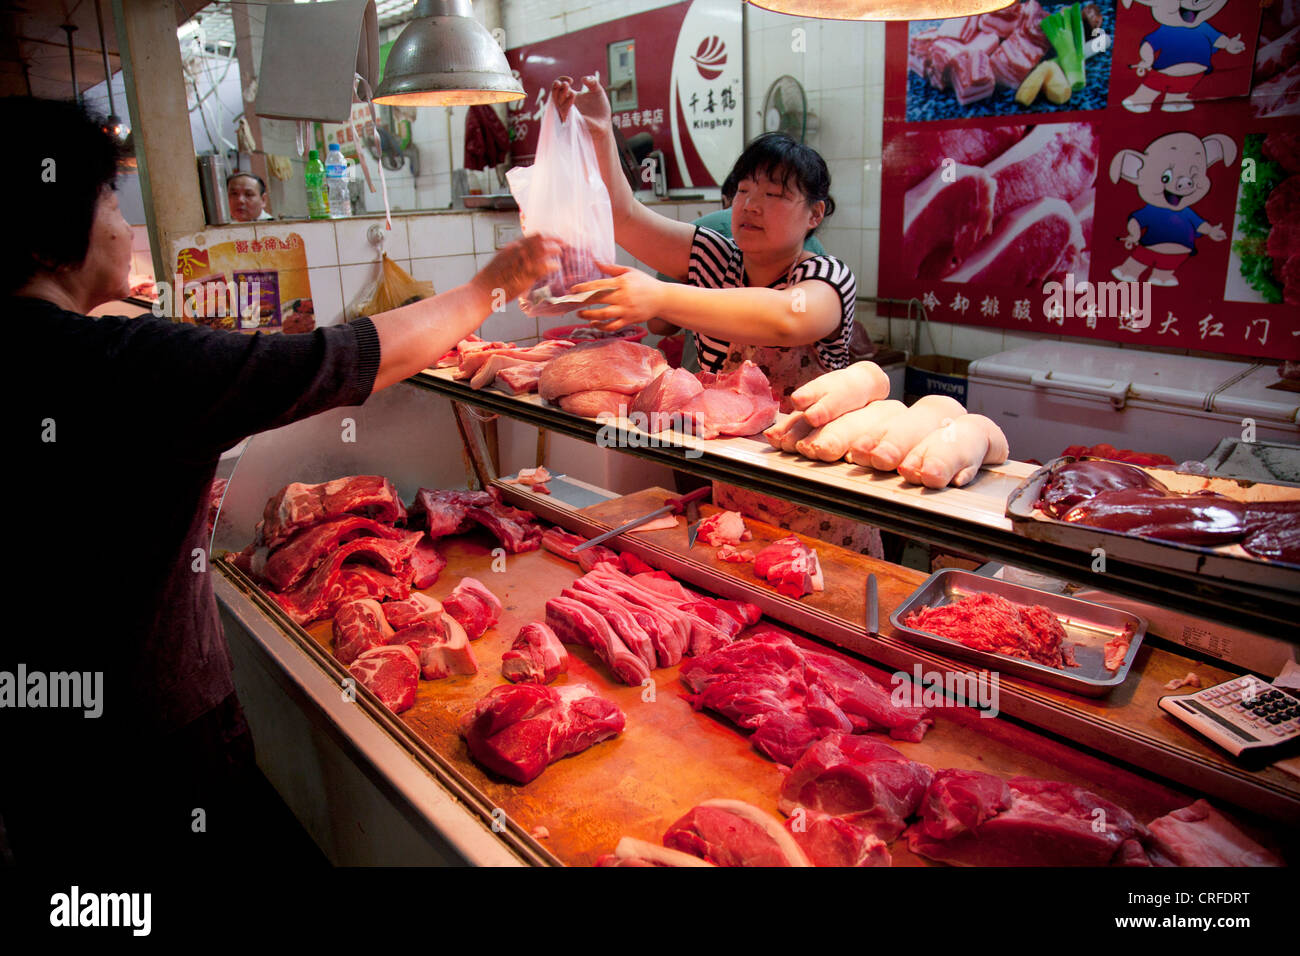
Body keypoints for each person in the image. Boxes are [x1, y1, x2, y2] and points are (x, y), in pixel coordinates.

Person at [3, 96, 561, 866]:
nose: (120, 224)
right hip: (155, 749)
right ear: (45, 233)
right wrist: (488, 288)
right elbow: (346, 361)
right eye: (107, 196)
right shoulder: (122, 365)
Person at [552, 76, 882, 557]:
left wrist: (661, 296)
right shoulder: (715, 255)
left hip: (819, 507)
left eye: (774, 195)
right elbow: (623, 217)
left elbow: (785, 319)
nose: (750, 204)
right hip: (733, 493)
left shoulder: (826, 276)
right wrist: (601, 132)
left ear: (815, 214)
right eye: (744, 189)